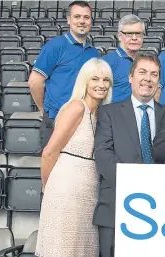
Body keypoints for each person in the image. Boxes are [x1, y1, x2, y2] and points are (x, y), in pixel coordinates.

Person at [36, 58, 113, 257]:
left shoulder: (101, 114)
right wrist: (48, 187)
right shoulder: (77, 107)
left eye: (106, 80)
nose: (101, 85)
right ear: (85, 81)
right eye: (95, 79)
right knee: (63, 249)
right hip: (65, 190)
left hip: (88, 192)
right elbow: (49, 152)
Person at [93, 52, 165, 257]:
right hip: (116, 207)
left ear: (159, 80)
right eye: (142, 72)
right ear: (130, 77)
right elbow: (103, 155)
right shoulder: (109, 113)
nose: (147, 79)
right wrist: (136, 183)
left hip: (159, 210)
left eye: (154, 74)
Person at [28, 0, 99, 149]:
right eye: (77, 16)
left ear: (91, 21)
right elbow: (35, 81)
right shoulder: (55, 46)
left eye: (86, 17)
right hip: (55, 121)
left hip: (82, 123)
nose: (82, 21)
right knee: (53, 170)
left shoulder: (94, 53)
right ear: (68, 19)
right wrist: (44, 110)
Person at [102, 14, 145, 103]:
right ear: (119, 36)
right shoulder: (106, 63)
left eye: (138, 33)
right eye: (129, 34)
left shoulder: (145, 63)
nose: (134, 38)